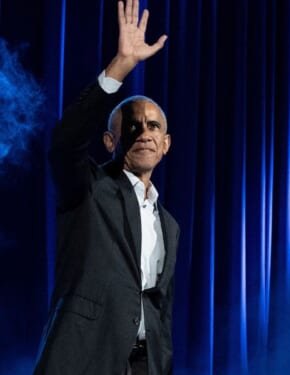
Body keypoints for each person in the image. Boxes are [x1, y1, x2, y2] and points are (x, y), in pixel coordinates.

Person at [33, 0, 177, 374]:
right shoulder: (91, 189)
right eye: (130, 126)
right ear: (110, 143)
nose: (143, 133)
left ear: (165, 144)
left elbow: (159, 309)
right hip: (83, 361)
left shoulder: (170, 225)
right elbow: (65, 143)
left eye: (152, 126)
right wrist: (121, 66)